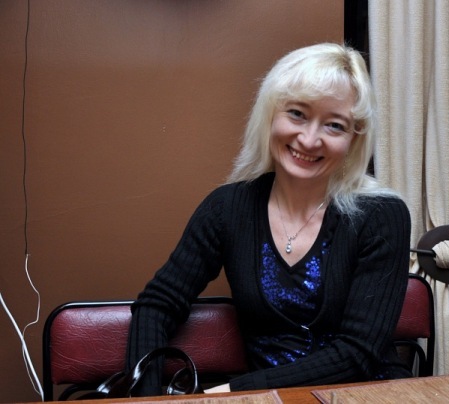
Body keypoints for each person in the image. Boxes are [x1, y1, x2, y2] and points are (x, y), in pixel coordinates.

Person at [125, 42, 412, 395]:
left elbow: (358, 353)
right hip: (270, 400)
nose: (309, 139)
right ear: (270, 114)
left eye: (334, 125)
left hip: (367, 394)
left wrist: (234, 392)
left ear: (354, 139)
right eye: (297, 114)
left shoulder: (382, 215)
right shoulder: (227, 209)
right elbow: (156, 306)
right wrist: (146, 399)